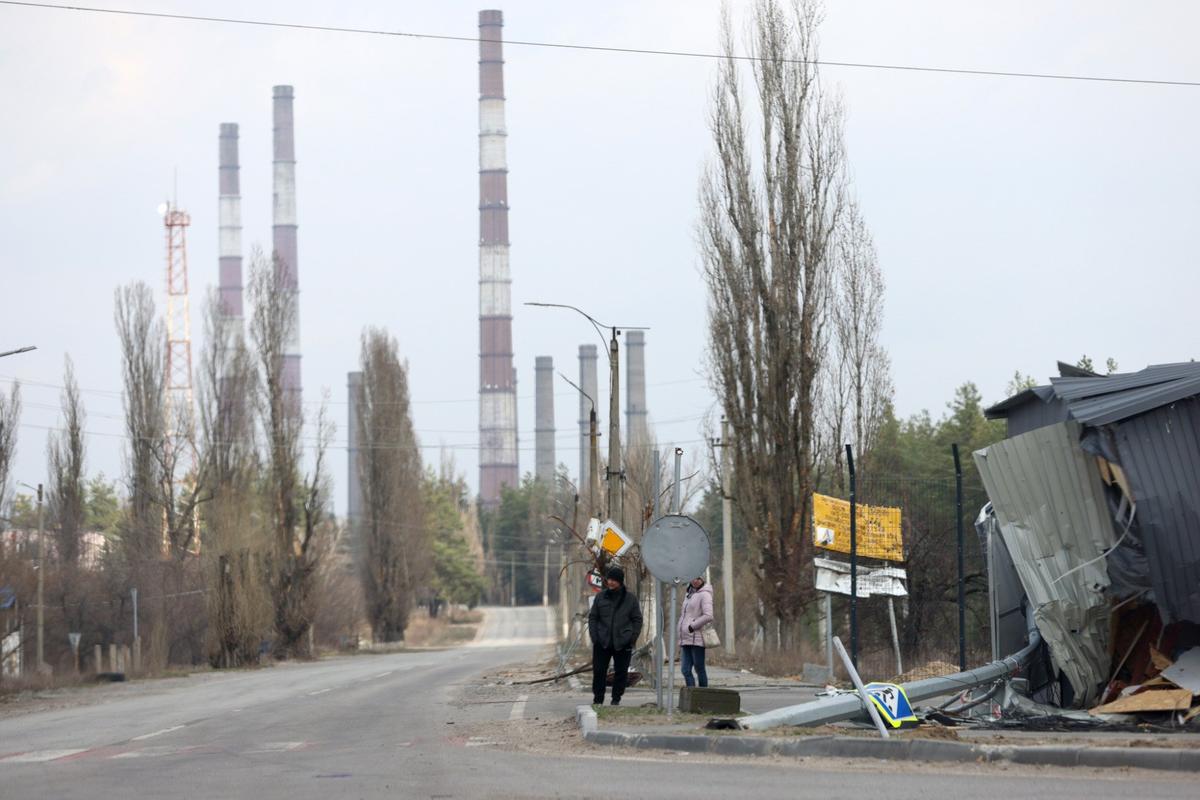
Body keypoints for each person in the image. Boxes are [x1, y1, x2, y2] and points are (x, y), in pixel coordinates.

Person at [587, 565, 643, 706]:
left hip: (623, 642)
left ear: (620, 581)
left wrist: (632, 638)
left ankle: (616, 699)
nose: (610, 582)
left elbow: (637, 619)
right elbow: (593, 617)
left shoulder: (630, 599)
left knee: (621, 672)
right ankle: (598, 700)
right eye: (609, 579)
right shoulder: (600, 597)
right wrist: (595, 637)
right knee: (599, 672)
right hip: (602, 642)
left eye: (614, 580)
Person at [677, 575, 714, 688]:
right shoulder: (689, 593)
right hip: (685, 637)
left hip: (697, 638)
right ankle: (692, 695)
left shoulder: (705, 594)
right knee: (685, 670)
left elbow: (708, 616)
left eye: (698, 578)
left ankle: (703, 695)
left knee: (699, 668)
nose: (695, 581)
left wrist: (692, 626)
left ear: (702, 579)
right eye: (692, 578)